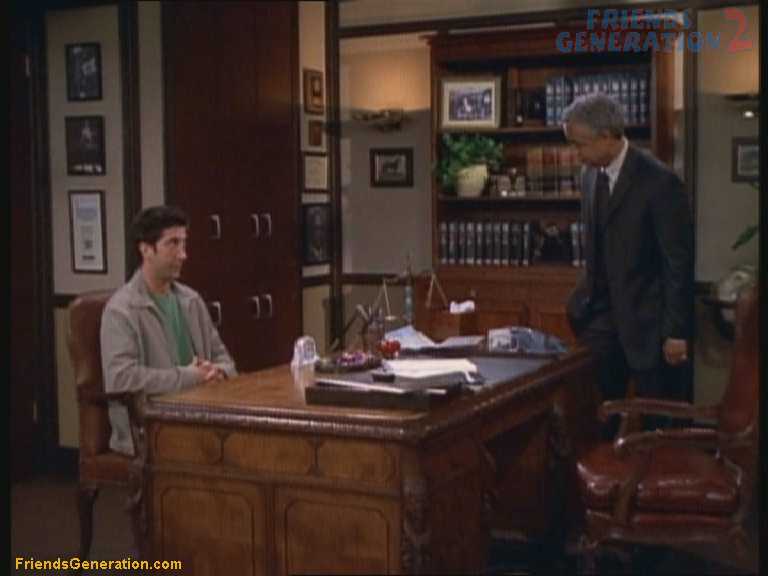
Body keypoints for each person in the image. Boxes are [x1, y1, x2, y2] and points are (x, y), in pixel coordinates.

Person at [562, 93, 693, 409]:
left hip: (649, 324)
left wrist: (676, 332)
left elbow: (677, 262)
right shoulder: (589, 176)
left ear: (607, 137)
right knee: (596, 411)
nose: (576, 154)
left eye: (580, 145)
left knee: (657, 417)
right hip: (602, 321)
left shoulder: (659, 181)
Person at [101, 206, 236, 455]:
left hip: (202, 418)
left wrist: (216, 371)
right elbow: (121, 379)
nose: (183, 254)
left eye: (183, 243)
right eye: (173, 243)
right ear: (146, 249)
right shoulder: (122, 310)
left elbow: (226, 361)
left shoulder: (191, 300)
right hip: (151, 428)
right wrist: (190, 376)